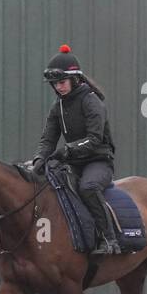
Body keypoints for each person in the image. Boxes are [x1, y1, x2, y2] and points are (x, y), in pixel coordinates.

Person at [26, 44, 122, 255]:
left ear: (75, 79)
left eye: (61, 82)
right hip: (73, 163)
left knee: (88, 187)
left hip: (98, 162)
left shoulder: (91, 102)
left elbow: (95, 140)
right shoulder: (57, 107)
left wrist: (66, 151)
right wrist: (38, 160)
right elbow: (48, 139)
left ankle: (110, 240)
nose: (58, 87)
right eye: (55, 84)